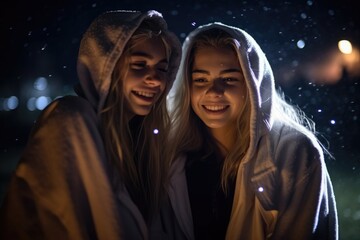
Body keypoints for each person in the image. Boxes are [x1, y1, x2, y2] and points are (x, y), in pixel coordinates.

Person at [0, 10, 182, 239]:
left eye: (162, 69)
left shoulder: (144, 143)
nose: (154, 79)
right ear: (105, 66)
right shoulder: (70, 119)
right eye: (139, 64)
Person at [167, 22, 338, 239]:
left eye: (229, 79)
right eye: (201, 79)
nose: (213, 91)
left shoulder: (293, 151)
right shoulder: (171, 153)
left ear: (252, 83)